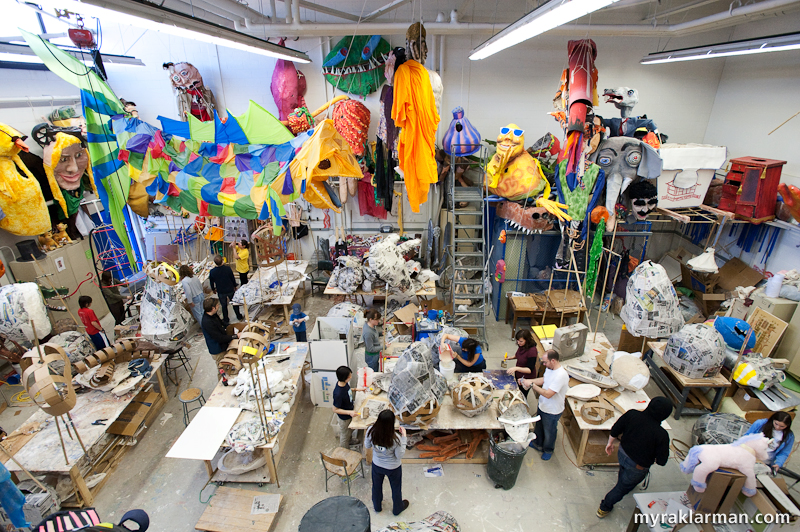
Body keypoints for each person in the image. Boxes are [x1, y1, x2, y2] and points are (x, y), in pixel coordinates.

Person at [597, 396, 673, 518]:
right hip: (637, 466)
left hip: (622, 453)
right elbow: (662, 461)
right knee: (621, 489)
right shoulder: (661, 435)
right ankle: (604, 507)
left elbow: (616, 428)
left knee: (624, 472)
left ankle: (625, 481)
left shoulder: (632, 414)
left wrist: (610, 443)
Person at [520, 350, 569, 461]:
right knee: (539, 426)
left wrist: (532, 385)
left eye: (546, 362)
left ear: (553, 360)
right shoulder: (550, 368)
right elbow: (544, 380)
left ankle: (548, 449)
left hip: (553, 410)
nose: (544, 364)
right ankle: (537, 443)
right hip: (543, 405)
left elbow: (548, 394)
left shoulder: (561, 375)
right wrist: (528, 381)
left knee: (549, 431)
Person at [365, 410, 409, 516]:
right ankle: (397, 508)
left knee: (376, 487)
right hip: (393, 467)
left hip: (377, 465)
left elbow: (367, 446)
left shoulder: (371, 431)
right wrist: (404, 437)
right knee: (396, 488)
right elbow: (399, 455)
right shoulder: (396, 439)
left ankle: (377, 506)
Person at [331, 365, 365, 449]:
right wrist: (349, 412)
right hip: (344, 418)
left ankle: (350, 441)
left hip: (349, 411)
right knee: (345, 435)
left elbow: (348, 390)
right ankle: (344, 451)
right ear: (345, 378)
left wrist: (356, 389)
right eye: (349, 376)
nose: (351, 376)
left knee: (349, 431)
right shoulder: (338, 394)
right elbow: (335, 409)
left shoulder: (344, 383)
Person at [506, 329, 543, 397]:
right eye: (517, 340)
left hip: (526, 378)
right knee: (517, 391)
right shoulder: (522, 345)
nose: (518, 343)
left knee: (522, 395)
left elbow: (529, 369)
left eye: (521, 341)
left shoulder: (532, 351)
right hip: (519, 375)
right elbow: (519, 355)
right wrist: (510, 357)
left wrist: (516, 368)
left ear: (527, 340)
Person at [209, 254, 240, 323]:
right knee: (234, 303)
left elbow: (211, 281)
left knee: (224, 305)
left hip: (221, 290)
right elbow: (232, 278)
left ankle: (226, 319)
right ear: (222, 261)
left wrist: (213, 289)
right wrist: (235, 286)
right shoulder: (228, 269)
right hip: (229, 288)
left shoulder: (212, 271)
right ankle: (238, 315)